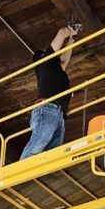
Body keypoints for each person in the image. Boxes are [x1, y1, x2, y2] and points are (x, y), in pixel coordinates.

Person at [19, 26, 78, 160]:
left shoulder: (56, 69)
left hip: (58, 114)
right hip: (47, 109)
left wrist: (72, 40)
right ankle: (18, 175)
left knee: (50, 156)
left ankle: (34, 177)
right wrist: (71, 31)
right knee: (37, 146)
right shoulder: (45, 64)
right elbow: (61, 33)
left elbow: (64, 60)